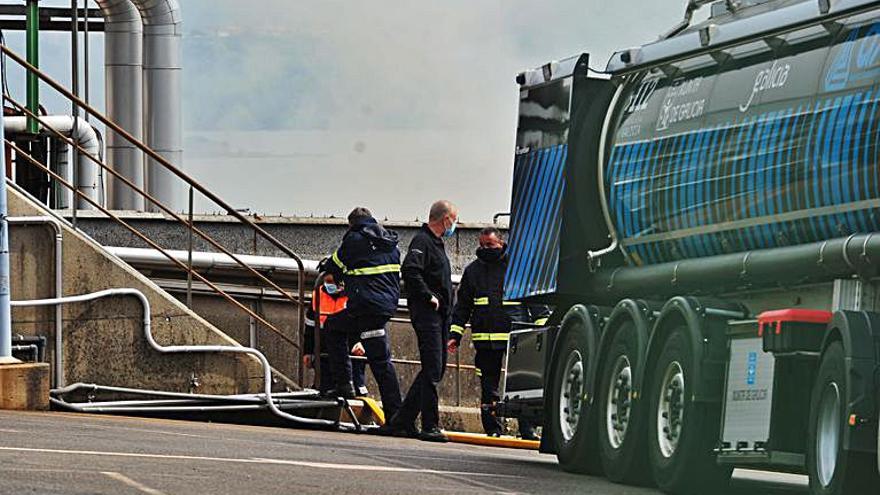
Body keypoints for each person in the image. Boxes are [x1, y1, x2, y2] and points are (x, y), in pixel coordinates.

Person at [447, 227, 545, 440]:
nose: (485, 249)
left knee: (520, 385)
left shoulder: (517, 269)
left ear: (501, 243)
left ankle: (527, 430)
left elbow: (535, 301)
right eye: (482, 245)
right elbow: (462, 306)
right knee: (488, 387)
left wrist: (540, 329)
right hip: (485, 340)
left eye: (490, 245)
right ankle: (493, 429)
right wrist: (455, 334)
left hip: (516, 338)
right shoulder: (473, 271)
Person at [383, 200, 458, 442]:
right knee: (433, 368)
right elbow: (411, 271)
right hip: (428, 315)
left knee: (434, 369)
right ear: (445, 219)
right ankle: (429, 424)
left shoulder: (437, 244)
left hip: (441, 316)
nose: (455, 224)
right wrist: (429, 297)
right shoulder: (423, 241)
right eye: (454, 219)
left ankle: (402, 421)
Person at [324, 207, 403, 419]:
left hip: (365, 307)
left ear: (352, 223)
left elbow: (336, 263)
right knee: (377, 357)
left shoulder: (355, 239)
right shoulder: (390, 243)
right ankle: (395, 413)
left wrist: (328, 266)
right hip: (383, 307)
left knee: (334, 328)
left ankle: (346, 385)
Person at [302, 272, 369, 396]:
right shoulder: (318, 295)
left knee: (356, 388)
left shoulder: (354, 294)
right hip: (323, 350)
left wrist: (361, 342)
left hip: (350, 351)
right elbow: (310, 325)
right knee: (325, 387)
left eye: (332, 282)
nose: (330, 286)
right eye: (327, 282)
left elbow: (364, 322)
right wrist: (307, 351)